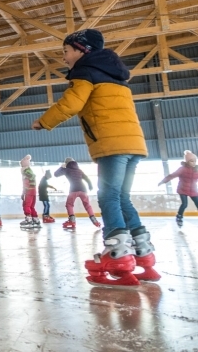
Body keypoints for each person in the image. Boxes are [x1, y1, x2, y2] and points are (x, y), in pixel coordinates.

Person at [32, 29, 157, 286]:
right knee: (122, 197)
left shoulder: (85, 72)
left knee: (108, 196)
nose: (64, 58)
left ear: (81, 50)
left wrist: (44, 122)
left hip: (112, 144)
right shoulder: (115, 76)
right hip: (133, 144)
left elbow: (72, 104)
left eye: (66, 52)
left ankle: (118, 256)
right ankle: (144, 254)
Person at [55, 159, 101, 229]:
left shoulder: (67, 170)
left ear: (66, 163)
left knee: (69, 204)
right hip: (83, 189)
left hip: (73, 189)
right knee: (87, 205)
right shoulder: (79, 170)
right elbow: (87, 179)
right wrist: (90, 186)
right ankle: (94, 220)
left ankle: (72, 220)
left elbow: (56, 174)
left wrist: (62, 167)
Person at [158, 150, 198, 227]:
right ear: (187, 162)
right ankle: (179, 217)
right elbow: (172, 175)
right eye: (192, 161)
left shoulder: (197, 170)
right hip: (183, 189)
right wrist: (163, 181)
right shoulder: (182, 169)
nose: (194, 163)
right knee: (184, 204)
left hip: (193, 190)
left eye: (195, 161)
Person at [19, 155, 41, 229]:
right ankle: (35, 219)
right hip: (34, 191)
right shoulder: (31, 172)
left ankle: (28, 219)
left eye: (21, 165)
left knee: (26, 205)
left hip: (28, 191)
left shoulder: (25, 172)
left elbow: (25, 183)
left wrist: (24, 192)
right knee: (31, 206)